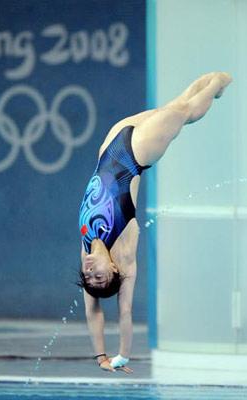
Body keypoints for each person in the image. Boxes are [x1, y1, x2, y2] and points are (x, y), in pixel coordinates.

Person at [78, 72, 232, 373]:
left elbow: (92, 311)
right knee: (184, 113)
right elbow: (123, 312)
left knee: (176, 104)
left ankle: (209, 83)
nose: (89, 274)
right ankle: (218, 85)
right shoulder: (124, 255)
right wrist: (120, 355)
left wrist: (99, 357)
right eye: (98, 279)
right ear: (112, 271)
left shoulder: (86, 248)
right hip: (137, 152)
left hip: (109, 145)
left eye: (88, 279)